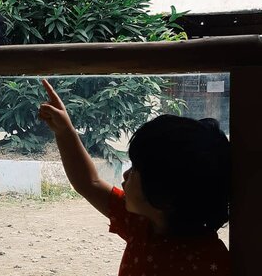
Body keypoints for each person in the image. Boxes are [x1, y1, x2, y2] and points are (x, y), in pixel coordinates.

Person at [38, 78, 230, 276]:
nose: (126, 174)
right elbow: (89, 183)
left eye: (137, 169)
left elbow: (89, 184)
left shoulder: (207, 260)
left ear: (164, 195)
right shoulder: (144, 222)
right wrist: (64, 131)